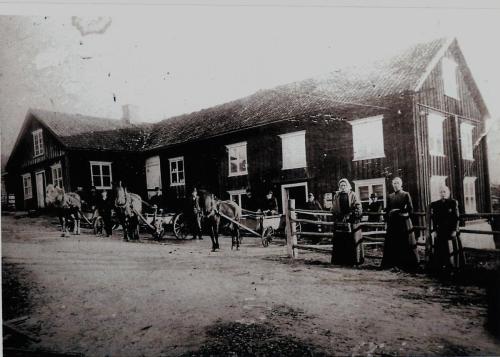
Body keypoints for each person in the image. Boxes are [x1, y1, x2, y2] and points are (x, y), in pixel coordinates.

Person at [381, 177, 419, 272]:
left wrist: (403, 213)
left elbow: (410, 209)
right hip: (392, 223)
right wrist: (386, 219)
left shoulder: (406, 194)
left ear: (401, 184)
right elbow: (387, 210)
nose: (395, 185)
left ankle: (405, 265)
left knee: (403, 242)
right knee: (392, 243)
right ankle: (393, 264)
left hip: (402, 223)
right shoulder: (390, 196)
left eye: (397, 183)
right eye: (394, 183)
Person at [428, 185, 465, 273]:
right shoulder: (436, 204)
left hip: (450, 230)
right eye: (441, 192)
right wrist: (435, 230)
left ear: (448, 193)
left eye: (444, 192)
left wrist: (455, 230)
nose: (443, 194)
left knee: (452, 248)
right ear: (439, 194)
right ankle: (441, 266)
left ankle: (455, 266)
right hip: (440, 230)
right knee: (440, 248)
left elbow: (456, 218)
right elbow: (435, 219)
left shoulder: (453, 202)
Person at [331, 178, 363, 265]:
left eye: (344, 185)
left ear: (348, 186)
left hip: (351, 221)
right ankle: (341, 261)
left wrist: (351, 214)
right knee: (341, 241)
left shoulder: (353, 194)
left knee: (351, 241)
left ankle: (352, 261)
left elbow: (358, 206)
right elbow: (333, 209)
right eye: (341, 186)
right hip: (340, 222)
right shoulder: (336, 196)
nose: (343, 187)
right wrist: (337, 216)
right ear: (339, 187)